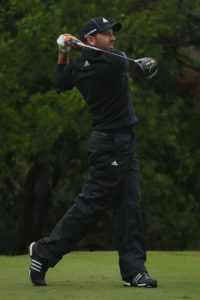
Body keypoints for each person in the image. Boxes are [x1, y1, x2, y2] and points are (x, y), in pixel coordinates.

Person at [28, 17, 158, 288]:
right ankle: (44, 252)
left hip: (123, 142)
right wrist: (74, 48)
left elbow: (62, 81)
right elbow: (122, 61)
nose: (113, 38)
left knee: (130, 204)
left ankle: (134, 271)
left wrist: (63, 51)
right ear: (91, 39)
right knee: (91, 205)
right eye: (106, 34)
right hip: (109, 144)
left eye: (112, 34)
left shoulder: (81, 64)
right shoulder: (111, 63)